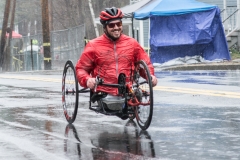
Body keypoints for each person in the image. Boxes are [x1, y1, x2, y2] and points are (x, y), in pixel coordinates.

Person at [75, 7, 157, 96]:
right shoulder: (93, 45)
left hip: (128, 92)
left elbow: (145, 64)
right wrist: (87, 80)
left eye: (119, 24)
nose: (116, 27)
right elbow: (81, 69)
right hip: (103, 93)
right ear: (105, 27)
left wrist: (150, 77)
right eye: (111, 25)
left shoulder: (132, 43)